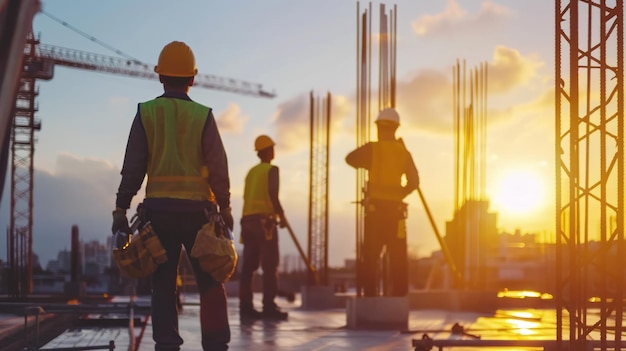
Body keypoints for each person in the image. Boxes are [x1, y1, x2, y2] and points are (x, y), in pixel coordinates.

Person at [111, 41, 232, 351]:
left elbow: (133, 168)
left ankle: (166, 344)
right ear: (192, 78)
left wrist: (120, 210)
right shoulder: (202, 115)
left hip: (159, 215)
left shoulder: (147, 113)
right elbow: (218, 165)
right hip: (199, 216)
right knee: (210, 284)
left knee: (162, 285)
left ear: (160, 76)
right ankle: (216, 345)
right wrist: (226, 206)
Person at [345, 107, 419, 297]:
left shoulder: (372, 149)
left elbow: (350, 159)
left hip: (375, 211)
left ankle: (370, 297)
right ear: (396, 128)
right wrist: (399, 194)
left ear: (379, 127)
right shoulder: (404, 153)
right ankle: (399, 298)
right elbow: (414, 182)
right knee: (399, 258)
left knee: (370, 256)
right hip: (396, 213)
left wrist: (369, 159)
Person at [238, 135, 289, 321]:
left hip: (247, 221)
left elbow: (245, 197)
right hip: (264, 222)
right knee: (270, 265)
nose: (274, 151)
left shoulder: (251, 172)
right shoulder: (272, 169)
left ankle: (245, 307)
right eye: (272, 148)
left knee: (249, 267)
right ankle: (269, 307)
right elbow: (272, 194)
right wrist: (281, 215)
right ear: (268, 151)